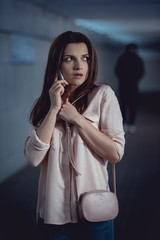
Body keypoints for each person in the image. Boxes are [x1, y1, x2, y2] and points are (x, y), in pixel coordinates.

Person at [24, 31, 125, 240]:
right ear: (57, 64)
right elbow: (33, 158)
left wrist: (78, 120)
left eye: (85, 58)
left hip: (95, 211)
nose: (79, 66)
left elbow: (115, 153)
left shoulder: (103, 95)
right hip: (55, 214)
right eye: (69, 59)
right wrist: (53, 110)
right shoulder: (45, 104)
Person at [115, 43, 144, 133]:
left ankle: (131, 124)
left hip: (133, 86)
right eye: (131, 49)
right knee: (123, 105)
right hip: (124, 86)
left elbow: (141, 72)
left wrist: (135, 79)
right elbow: (117, 71)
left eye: (133, 49)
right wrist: (123, 79)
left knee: (133, 106)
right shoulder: (122, 58)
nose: (132, 51)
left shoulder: (138, 60)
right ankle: (124, 123)